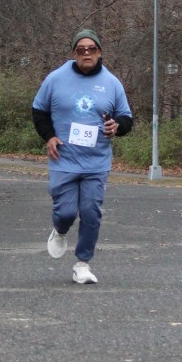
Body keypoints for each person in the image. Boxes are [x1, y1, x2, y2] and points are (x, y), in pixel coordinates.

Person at [32, 28, 132, 285]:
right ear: (74, 53)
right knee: (65, 212)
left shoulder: (112, 83)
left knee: (90, 211)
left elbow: (126, 117)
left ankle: (82, 263)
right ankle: (60, 230)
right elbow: (39, 111)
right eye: (81, 50)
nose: (87, 53)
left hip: (96, 161)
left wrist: (116, 126)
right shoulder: (56, 78)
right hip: (63, 158)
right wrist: (49, 136)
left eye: (92, 49)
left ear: (99, 52)